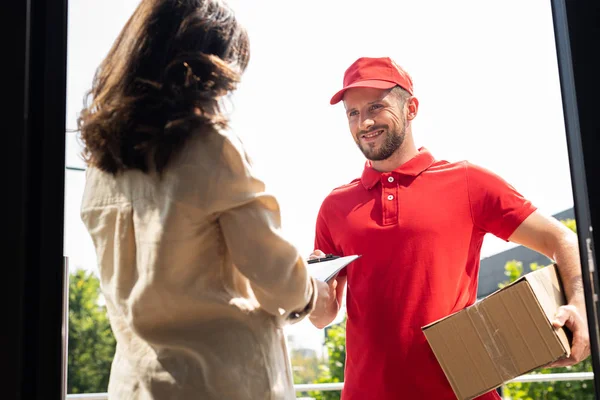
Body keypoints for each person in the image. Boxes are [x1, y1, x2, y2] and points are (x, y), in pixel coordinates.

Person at [78, 1, 325, 399]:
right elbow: (279, 282)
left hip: (135, 386)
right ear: (204, 68)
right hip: (219, 384)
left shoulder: (101, 166)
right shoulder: (211, 147)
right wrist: (313, 290)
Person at [308, 56, 591, 400]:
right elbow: (323, 318)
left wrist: (580, 306)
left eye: (376, 107)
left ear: (411, 108)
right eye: (352, 113)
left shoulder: (468, 183)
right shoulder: (335, 206)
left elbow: (561, 239)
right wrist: (314, 296)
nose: (364, 122)